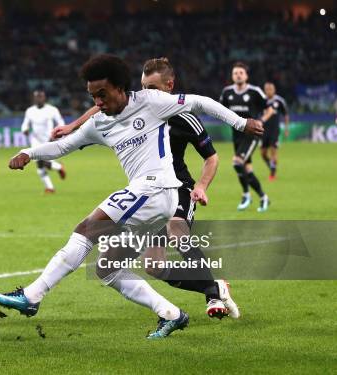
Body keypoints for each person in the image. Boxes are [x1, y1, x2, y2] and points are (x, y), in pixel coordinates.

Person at [0, 54, 261, 338]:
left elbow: (200, 102)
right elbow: (62, 147)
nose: (98, 103)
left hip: (159, 189)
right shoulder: (99, 123)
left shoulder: (150, 102)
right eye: (93, 96)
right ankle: (171, 314)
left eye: (103, 94)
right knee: (108, 267)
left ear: (121, 87)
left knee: (87, 228)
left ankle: (32, 296)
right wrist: (28, 153)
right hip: (148, 199)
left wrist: (241, 123)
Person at [51, 57, 245, 319]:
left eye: (152, 88)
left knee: (178, 231)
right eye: (144, 87)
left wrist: (201, 186)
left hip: (180, 190)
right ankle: (215, 287)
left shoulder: (184, 118)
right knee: (154, 267)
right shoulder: (137, 108)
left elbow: (211, 157)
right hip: (149, 194)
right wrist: (74, 125)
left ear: (169, 85)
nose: (146, 93)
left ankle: (212, 298)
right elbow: (99, 108)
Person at [219, 62, 274, 212]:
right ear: (232, 75)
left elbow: (269, 110)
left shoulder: (255, 91)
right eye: (235, 73)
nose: (238, 75)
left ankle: (246, 195)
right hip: (236, 135)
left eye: (241, 73)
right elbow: (220, 110)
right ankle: (263, 198)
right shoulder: (227, 92)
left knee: (237, 163)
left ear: (246, 75)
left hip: (251, 135)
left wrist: (260, 122)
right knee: (247, 169)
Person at [21, 89, 67, 193]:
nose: (38, 98)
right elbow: (25, 123)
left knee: (43, 163)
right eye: (37, 96)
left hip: (49, 139)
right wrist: (25, 129)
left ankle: (58, 167)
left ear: (44, 98)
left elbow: (60, 121)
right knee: (39, 163)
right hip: (35, 140)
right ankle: (50, 187)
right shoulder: (30, 111)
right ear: (34, 98)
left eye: (40, 96)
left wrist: (57, 133)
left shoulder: (52, 110)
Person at [261, 82, 289, 181]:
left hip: (274, 130)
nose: (269, 91)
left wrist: (286, 128)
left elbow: (285, 115)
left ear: (274, 90)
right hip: (263, 130)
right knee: (263, 153)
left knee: (273, 151)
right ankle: (272, 166)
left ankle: (272, 173)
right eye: (267, 89)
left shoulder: (279, 101)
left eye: (271, 89)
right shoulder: (262, 100)